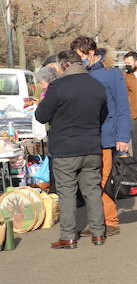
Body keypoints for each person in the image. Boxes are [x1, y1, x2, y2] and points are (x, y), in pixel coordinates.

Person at [35, 53, 108, 248]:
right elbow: (103, 115)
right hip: (91, 146)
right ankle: (98, 232)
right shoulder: (97, 86)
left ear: (64, 65)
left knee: (67, 192)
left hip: (65, 148)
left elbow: (41, 116)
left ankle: (68, 236)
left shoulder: (58, 87)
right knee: (92, 190)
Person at [71, 37, 131, 237]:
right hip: (87, 137)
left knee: (105, 180)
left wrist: (122, 136)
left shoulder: (111, 74)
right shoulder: (82, 75)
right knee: (90, 182)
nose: (79, 60)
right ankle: (96, 221)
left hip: (106, 137)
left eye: (80, 56)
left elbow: (123, 107)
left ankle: (110, 220)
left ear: (90, 52)